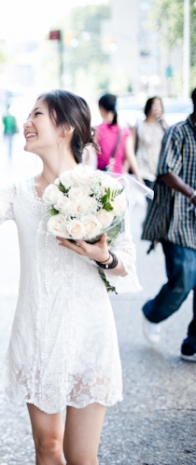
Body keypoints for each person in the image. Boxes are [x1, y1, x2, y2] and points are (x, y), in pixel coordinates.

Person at [0, 90, 140, 464]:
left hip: (90, 334)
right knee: (47, 449)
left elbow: (126, 262)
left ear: (65, 128)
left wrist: (103, 255)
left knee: (82, 457)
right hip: (39, 334)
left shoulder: (105, 191)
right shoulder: (20, 193)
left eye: (37, 115)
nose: (27, 123)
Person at [141, 87, 196, 362]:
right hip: (178, 220)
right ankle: (153, 312)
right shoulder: (178, 132)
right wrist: (192, 193)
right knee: (184, 278)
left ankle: (194, 341)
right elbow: (165, 171)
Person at [94, 93, 144, 183]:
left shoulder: (97, 130)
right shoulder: (124, 130)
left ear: (101, 108)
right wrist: (139, 179)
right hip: (119, 180)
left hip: (101, 180)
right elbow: (130, 156)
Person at [133, 96, 169, 189]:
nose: (156, 107)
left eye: (159, 105)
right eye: (154, 104)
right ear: (148, 106)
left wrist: (163, 119)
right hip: (142, 168)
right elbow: (132, 148)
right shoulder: (139, 125)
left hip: (158, 168)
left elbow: (171, 138)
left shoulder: (162, 125)